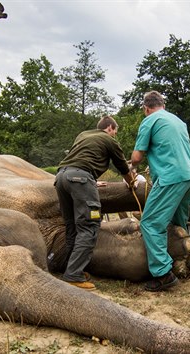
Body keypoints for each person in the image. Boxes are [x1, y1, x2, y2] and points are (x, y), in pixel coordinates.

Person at [55, 116, 137, 291]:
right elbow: (123, 167)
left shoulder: (83, 135)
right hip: (80, 178)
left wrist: (89, 179)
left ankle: (70, 268)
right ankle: (73, 275)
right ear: (110, 127)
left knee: (72, 227)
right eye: (115, 130)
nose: (115, 134)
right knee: (90, 226)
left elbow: (82, 159)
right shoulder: (109, 140)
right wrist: (131, 183)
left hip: (62, 177)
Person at [131, 91, 190, 292]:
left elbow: (136, 157)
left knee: (150, 223)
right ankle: (185, 263)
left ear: (146, 107)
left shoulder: (150, 120)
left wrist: (130, 166)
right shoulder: (178, 121)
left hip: (171, 178)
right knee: (178, 223)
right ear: (163, 104)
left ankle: (162, 274)